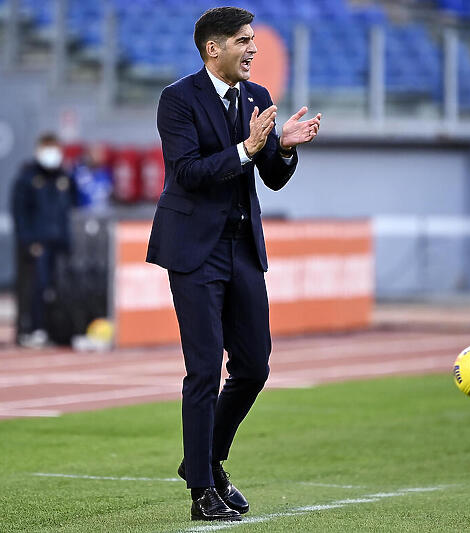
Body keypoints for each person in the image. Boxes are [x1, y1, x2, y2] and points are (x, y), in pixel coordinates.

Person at [146, 6, 321, 522]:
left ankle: (207, 460)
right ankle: (201, 491)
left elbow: (270, 177)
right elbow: (188, 172)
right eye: (243, 41)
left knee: (253, 367)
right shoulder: (177, 100)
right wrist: (247, 147)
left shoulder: (258, 98)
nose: (253, 49)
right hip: (194, 252)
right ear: (212, 49)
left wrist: (282, 149)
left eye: (253, 41)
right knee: (203, 370)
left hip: (242, 250)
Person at [11, 133, 76, 348]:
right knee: (34, 287)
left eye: (54, 148)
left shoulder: (64, 178)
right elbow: (20, 214)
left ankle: (56, 330)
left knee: (58, 288)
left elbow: (72, 210)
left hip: (60, 243)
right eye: (47, 148)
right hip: (37, 243)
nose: (51, 154)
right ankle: (31, 329)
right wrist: (28, 241)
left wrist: (68, 241)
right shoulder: (27, 178)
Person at [71, 143, 113, 211]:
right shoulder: (80, 174)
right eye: (95, 154)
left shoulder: (106, 173)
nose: (98, 157)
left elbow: (109, 193)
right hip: (84, 212)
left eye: (99, 154)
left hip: (103, 211)